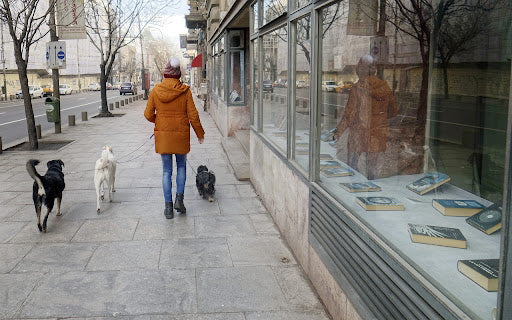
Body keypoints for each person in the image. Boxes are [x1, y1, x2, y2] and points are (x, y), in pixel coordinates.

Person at [144, 58, 205, 219]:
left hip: (163, 136)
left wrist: (159, 119)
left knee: (166, 171)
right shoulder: (185, 91)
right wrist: (200, 134)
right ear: (178, 75)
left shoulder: (156, 91)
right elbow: (193, 115)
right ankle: (179, 201)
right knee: (181, 167)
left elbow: (148, 114)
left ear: (165, 73)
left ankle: (168, 208)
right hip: (181, 135)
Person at [335, 54, 397, 179]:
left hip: (359, 133)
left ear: (361, 69)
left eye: (359, 67)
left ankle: (355, 192)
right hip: (378, 132)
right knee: (372, 167)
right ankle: (372, 191)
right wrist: (379, 118)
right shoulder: (384, 87)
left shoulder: (358, 88)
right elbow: (393, 111)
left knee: (353, 166)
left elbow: (349, 114)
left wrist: (338, 133)